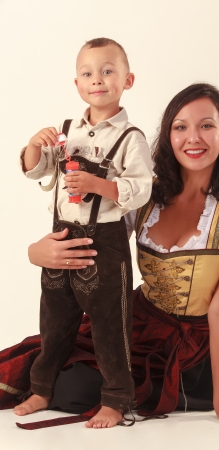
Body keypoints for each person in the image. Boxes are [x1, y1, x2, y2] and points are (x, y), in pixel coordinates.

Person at [0, 83, 219, 427]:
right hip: (136, 320)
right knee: (47, 359)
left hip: (190, 346)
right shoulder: (144, 194)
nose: (193, 137)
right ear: (168, 137)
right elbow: (95, 244)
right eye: (180, 127)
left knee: (77, 385)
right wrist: (36, 252)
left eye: (207, 125)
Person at [14, 37, 153, 428]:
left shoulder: (131, 138)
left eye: (109, 71)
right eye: (88, 73)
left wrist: (98, 186)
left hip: (104, 244)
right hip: (60, 238)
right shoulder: (64, 131)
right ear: (77, 84)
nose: (98, 80)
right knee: (55, 319)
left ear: (128, 80)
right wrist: (32, 146)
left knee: (111, 324)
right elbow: (37, 171)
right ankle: (41, 388)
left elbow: (141, 188)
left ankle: (116, 399)